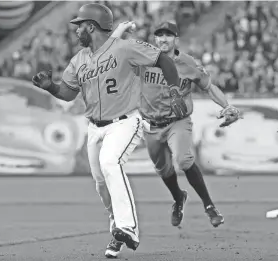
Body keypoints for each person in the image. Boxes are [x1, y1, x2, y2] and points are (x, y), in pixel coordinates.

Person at [31, 5, 181, 258]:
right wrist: (51, 88)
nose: (77, 30)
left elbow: (163, 60)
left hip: (125, 121)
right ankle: (117, 230)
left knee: (110, 162)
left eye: (80, 25)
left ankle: (128, 228)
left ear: (91, 26)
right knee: (101, 184)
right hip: (95, 128)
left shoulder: (124, 47)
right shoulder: (78, 60)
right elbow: (68, 93)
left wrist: (175, 90)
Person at [112, 21, 240, 231]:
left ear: (176, 39)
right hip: (151, 124)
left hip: (177, 122)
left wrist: (226, 105)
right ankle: (178, 199)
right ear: (155, 39)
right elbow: (115, 52)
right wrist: (119, 32)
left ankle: (209, 206)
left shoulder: (187, 63)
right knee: (164, 170)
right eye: (160, 35)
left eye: (168, 35)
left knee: (184, 159)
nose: (163, 39)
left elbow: (208, 86)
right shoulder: (143, 58)